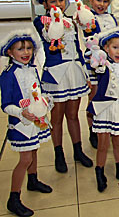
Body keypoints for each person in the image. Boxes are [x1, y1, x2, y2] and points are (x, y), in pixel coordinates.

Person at [32, 0, 93, 174]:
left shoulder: (72, 21)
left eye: (61, 0)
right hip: (55, 74)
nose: (58, 4)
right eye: (53, 1)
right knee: (56, 117)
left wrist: (84, 71)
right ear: (45, 4)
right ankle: (59, 153)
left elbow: (78, 46)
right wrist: (56, 20)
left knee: (73, 115)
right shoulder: (42, 21)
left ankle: (78, 150)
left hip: (73, 72)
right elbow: (50, 37)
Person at [0, 30, 53, 217]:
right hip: (21, 124)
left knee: (34, 151)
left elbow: (37, 91)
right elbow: (5, 105)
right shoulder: (8, 75)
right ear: (10, 52)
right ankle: (13, 198)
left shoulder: (32, 69)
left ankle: (33, 179)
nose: (26, 52)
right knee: (25, 159)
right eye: (20, 49)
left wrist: (45, 101)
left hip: (35, 121)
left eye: (29, 48)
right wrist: (21, 112)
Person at [87, 27, 119, 192]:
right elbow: (95, 65)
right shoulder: (103, 65)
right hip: (105, 109)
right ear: (106, 48)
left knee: (118, 142)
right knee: (103, 144)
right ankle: (99, 171)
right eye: (115, 47)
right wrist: (97, 56)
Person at [81, 0, 118, 149]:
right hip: (93, 62)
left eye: (105, 1)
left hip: (109, 62)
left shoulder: (111, 18)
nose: (101, 4)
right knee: (94, 96)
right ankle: (92, 129)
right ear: (91, 1)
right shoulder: (87, 17)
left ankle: (104, 125)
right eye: (98, 0)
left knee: (106, 94)